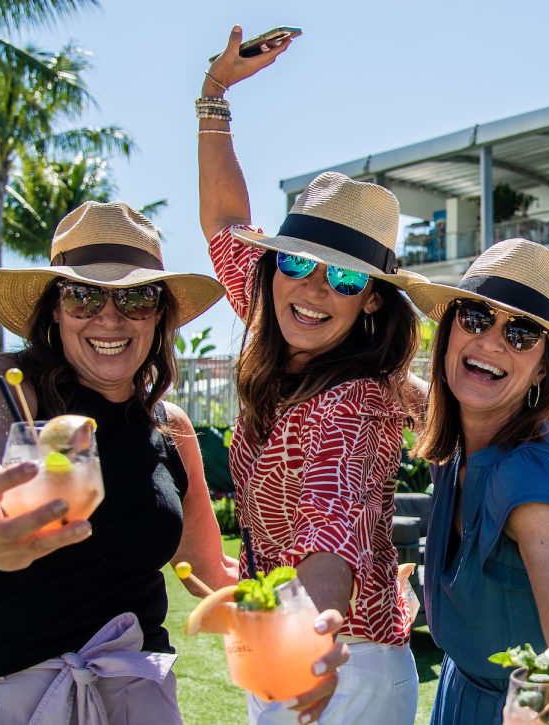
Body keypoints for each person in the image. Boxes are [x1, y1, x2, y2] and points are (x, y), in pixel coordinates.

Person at [0, 201, 351, 725]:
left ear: (159, 313)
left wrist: (298, 629)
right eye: (83, 296)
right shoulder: (3, 383)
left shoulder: (171, 429)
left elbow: (209, 574)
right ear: (55, 310)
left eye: (137, 297)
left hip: (132, 696)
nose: (109, 317)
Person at [199, 26, 424, 725]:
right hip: (285, 650)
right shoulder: (281, 318)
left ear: (372, 300)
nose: (315, 289)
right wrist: (214, 96)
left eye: (347, 277)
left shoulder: (353, 402)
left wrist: (315, 629)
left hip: (338, 665)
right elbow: (225, 221)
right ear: (272, 271)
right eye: (296, 262)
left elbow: (337, 527)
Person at [405, 240, 549, 725]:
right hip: (456, 693)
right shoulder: (465, 442)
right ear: (448, 330)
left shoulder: (525, 475)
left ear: (544, 367)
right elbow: (419, 401)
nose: (492, 342)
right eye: (477, 317)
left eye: (522, 333)